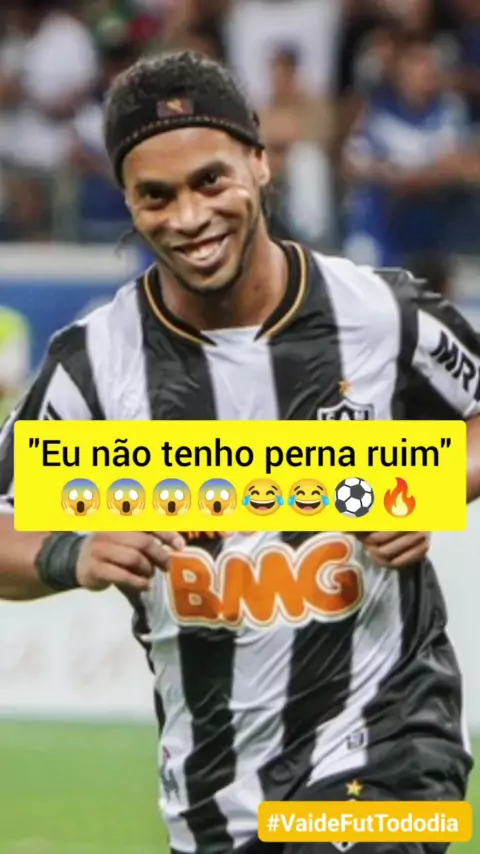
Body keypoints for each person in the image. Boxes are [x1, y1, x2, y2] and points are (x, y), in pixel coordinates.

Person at [1, 51, 480, 854]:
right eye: (156, 195)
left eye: (210, 181)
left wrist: (425, 487)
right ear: (127, 199)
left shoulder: (378, 315)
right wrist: (70, 552)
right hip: (215, 795)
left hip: (393, 745)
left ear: (260, 162)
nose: (189, 217)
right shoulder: (94, 366)